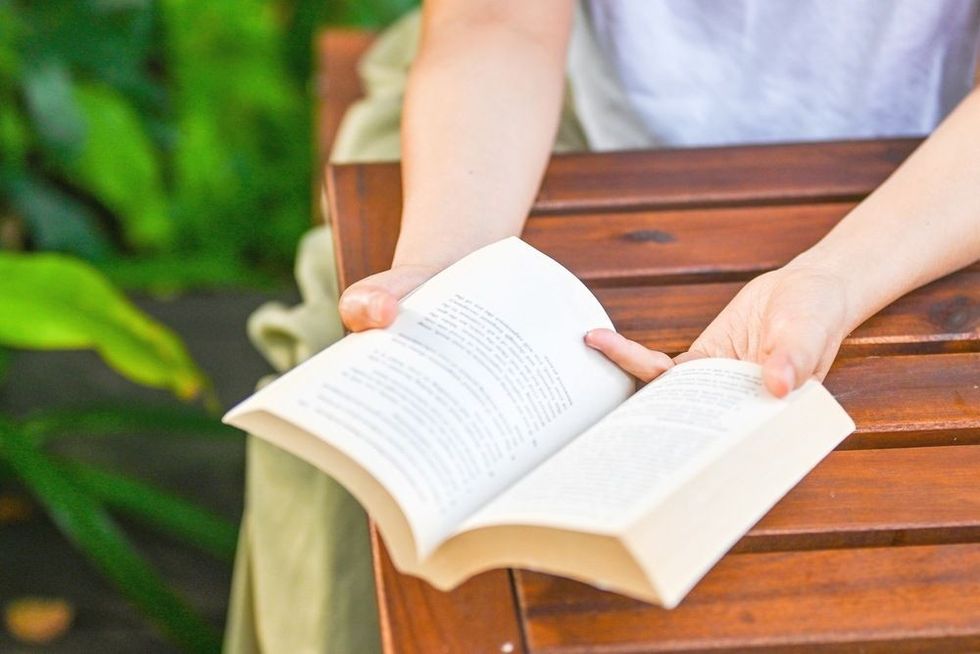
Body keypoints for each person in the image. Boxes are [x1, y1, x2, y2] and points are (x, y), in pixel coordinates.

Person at [227, 2, 980, 652]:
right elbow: (495, 23)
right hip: (539, 104)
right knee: (354, 410)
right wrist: (453, 275)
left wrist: (834, 280)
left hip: (930, 154)